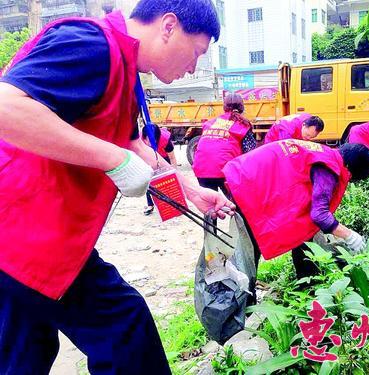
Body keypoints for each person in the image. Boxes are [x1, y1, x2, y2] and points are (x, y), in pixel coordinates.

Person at [0, 1, 235, 374]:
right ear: (169, 26)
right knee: (126, 330)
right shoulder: (91, 43)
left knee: (25, 352)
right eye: (196, 53)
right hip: (24, 234)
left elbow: (131, 144)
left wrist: (190, 190)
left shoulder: (126, 71)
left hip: (31, 239)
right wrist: (112, 160)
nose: (192, 66)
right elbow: (7, 107)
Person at [223, 140, 369, 281]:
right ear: (350, 168)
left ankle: (307, 281)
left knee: (303, 233)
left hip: (247, 174)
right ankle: (244, 299)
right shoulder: (328, 168)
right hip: (247, 183)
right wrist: (349, 235)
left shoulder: (324, 153)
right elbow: (320, 214)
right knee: (250, 246)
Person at [192, 92, 256, 196]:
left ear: (224, 107)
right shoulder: (243, 125)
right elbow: (249, 154)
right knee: (237, 205)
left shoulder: (210, 123)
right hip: (226, 171)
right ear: (242, 107)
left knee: (211, 206)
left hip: (201, 169)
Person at [142, 124, 178, 215]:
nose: (148, 142)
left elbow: (172, 158)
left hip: (164, 158)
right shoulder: (139, 139)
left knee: (166, 180)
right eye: (147, 139)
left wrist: (173, 173)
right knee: (148, 180)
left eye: (151, 140)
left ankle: (171, 203)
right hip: (149, 157)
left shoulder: (165, 139)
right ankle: (150, 204)